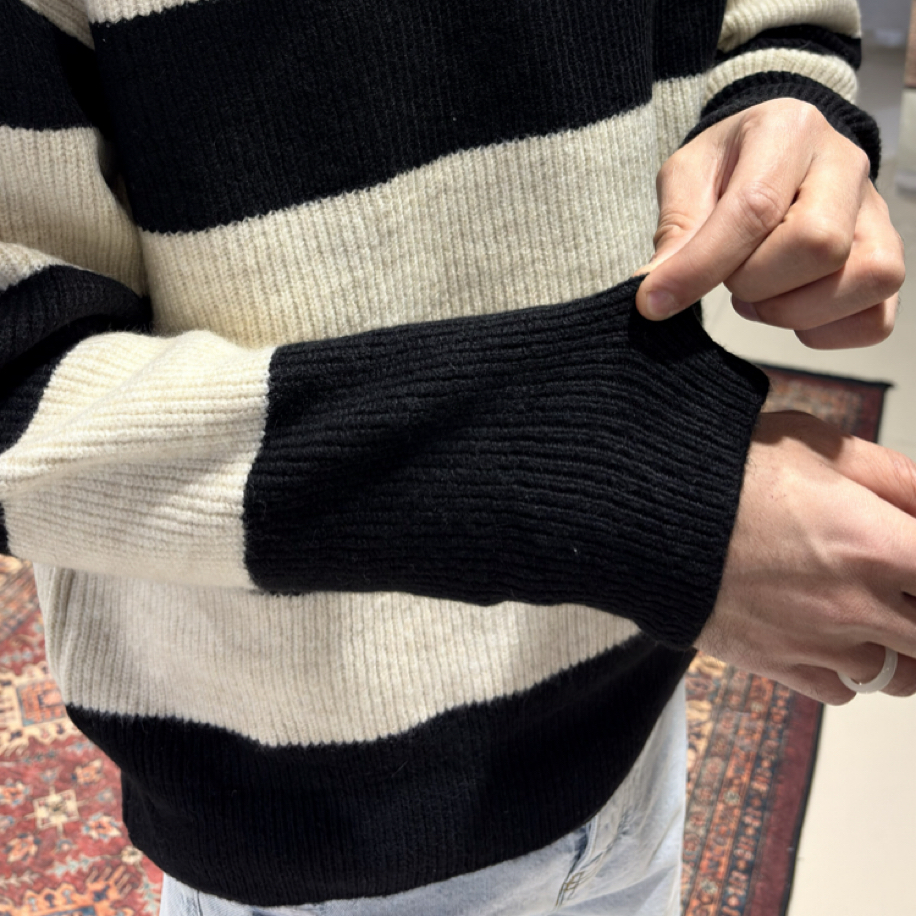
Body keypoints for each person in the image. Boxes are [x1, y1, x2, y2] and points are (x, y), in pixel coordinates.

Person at [0, 0, 910, 914]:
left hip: (634, 689)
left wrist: (783, 105)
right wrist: (625, 481)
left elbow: (775, 16)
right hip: (324, 811)